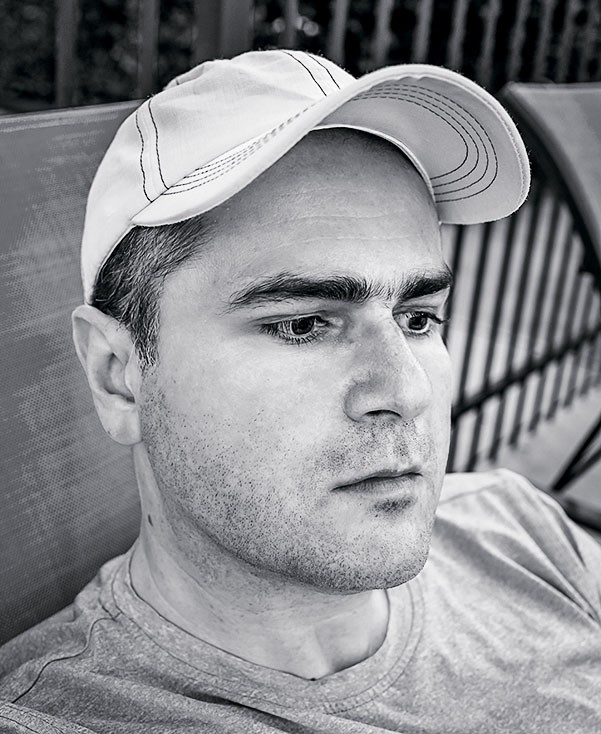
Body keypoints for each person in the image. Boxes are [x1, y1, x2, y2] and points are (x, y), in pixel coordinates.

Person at [1, 49, 600, 734]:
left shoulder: (516, 524)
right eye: (302, 324)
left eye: (417, 318)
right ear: (117, 373)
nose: (406, 392)